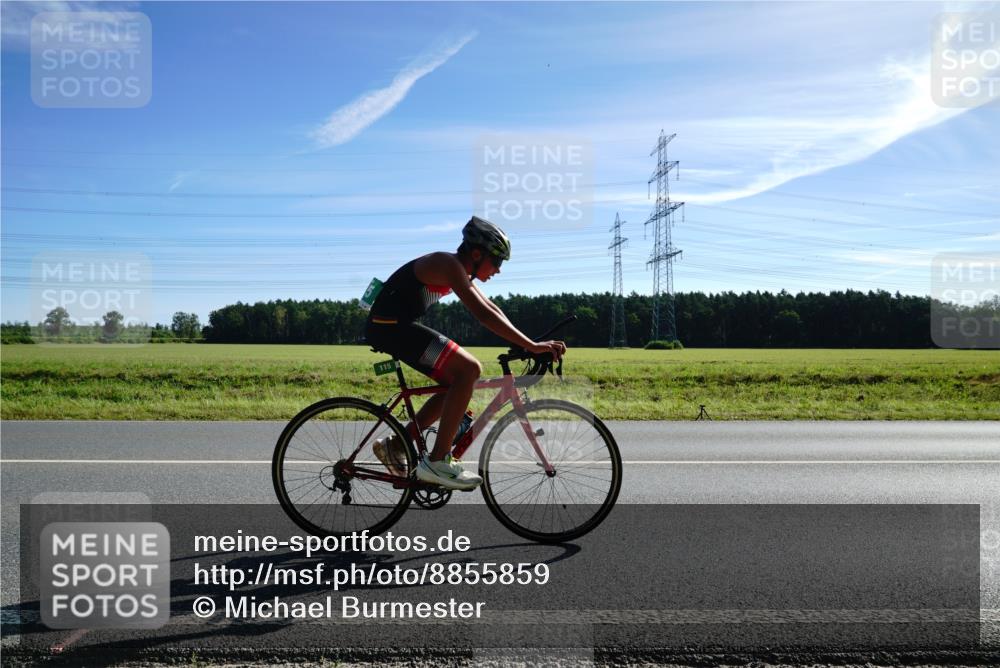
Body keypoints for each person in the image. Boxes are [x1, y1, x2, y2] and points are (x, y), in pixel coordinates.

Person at [364, 216, 566, 490]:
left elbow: (491, 307)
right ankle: (438, 461)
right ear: (477, 254)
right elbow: (483, 314)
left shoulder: (455, 268)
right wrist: (532, 346)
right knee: (469, 370)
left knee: (455, 384)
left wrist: (526, 343)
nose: (498, 270)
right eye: (497, 261)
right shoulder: (447, 265)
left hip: (394, 326)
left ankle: (397, 445)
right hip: (389, 327)